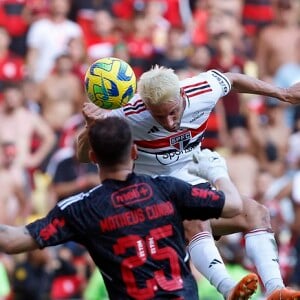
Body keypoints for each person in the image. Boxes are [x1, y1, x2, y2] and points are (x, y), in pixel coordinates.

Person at [77, 65, 300, 300]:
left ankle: (275, 289)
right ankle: (228, 289)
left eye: (172, 112)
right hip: (153, 202)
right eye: (158, 116)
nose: (169, 122)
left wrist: (281, 93)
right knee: (195, 218)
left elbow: (232, 80)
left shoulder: (201, 89)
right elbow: (82, 156)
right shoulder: (128, 114)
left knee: (256, 213)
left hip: (192, 185)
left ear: (182, 95)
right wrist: (90, 126)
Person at [0, 116, 251, 300]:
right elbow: (234, 205)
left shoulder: (82, 209)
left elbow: (11, 241)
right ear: (134, 152)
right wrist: (218, 172)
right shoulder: (168, 189)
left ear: (94, 158)